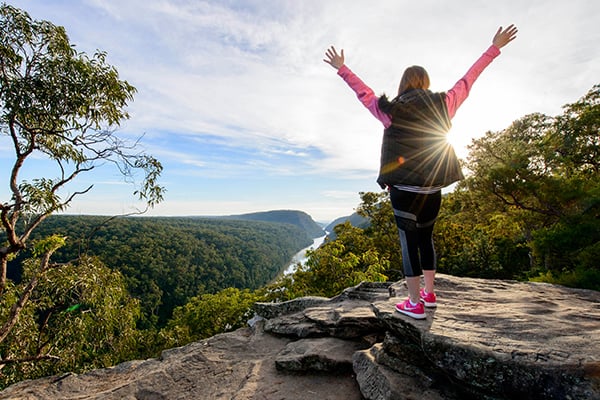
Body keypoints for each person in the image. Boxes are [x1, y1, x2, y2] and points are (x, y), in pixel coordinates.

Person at [323, 25, 518, 319]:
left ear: (403, 84)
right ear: (426, 83)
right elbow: (469, 80)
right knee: (426, 240)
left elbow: (365, 94)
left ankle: (414, 303)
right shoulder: (444, 104)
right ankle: (429, 294)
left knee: (408, 244)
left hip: (404, 192)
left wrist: (342, 68)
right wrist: (494, 48)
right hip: (433, 190)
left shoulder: (390, 110)